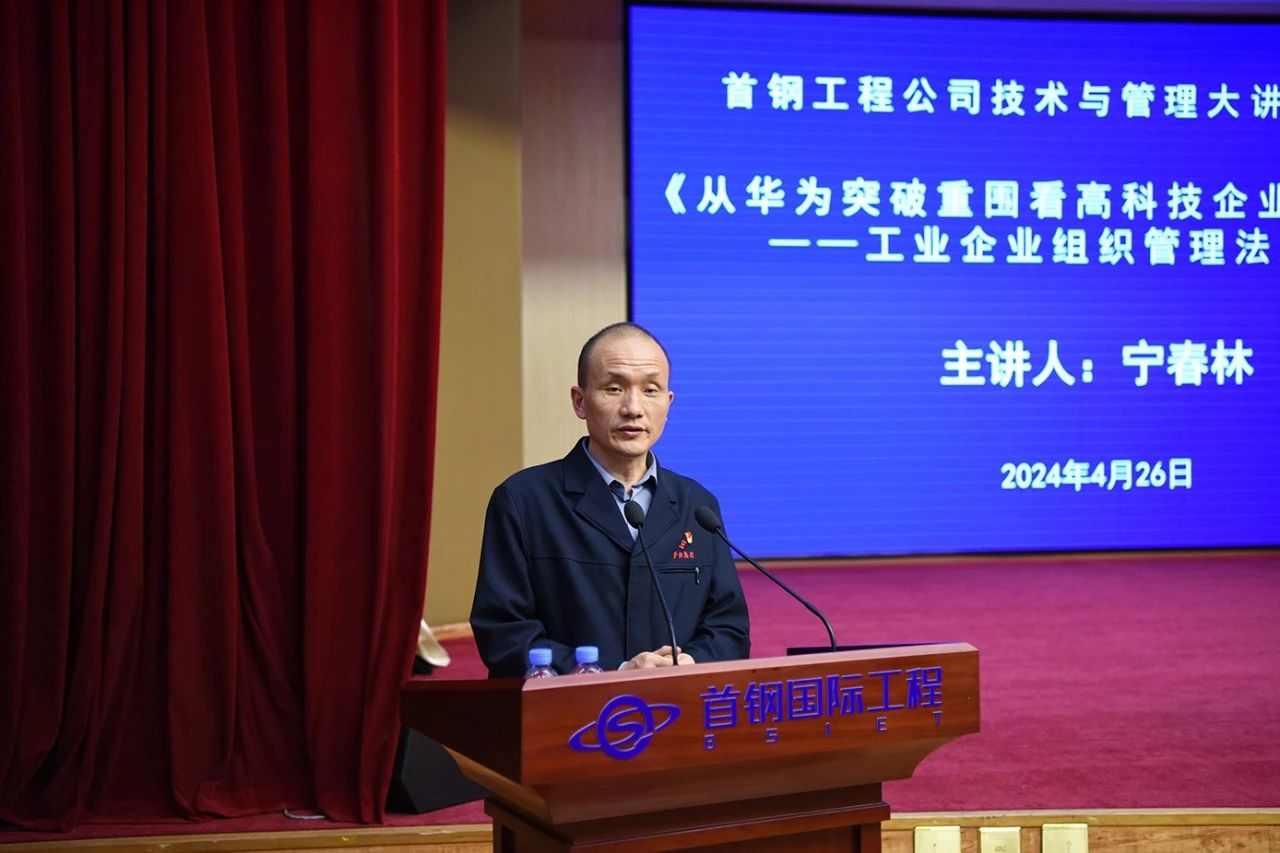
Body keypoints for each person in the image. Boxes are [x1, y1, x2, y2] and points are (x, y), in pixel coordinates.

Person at [470, 322, 750, 677]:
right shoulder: (523, 501)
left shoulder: (698, 505)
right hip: (570, 707)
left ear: (668, 404)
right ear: (580, 401)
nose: (633, 408)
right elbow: (504, 633)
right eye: (614, 388)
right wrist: (611, 672)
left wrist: (686, 664)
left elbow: (729, 628)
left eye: (650, 390)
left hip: (676, 704)